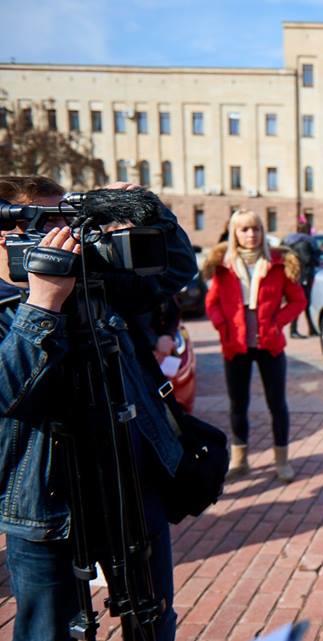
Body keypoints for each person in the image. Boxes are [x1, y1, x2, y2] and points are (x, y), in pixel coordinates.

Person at [0, 175, 197, 641]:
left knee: (153, 617)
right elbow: (8, 392)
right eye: (48, 224)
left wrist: (148, 209)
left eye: (69, 219)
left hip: (128, 478)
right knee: (49, 630)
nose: (67, 235)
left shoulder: (95, 276)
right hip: (42, 499)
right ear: (7, 233)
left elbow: (174, 269)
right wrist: (42, 305)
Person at [204, 209, 306, 483]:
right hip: (235, 346)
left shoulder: (278, 263)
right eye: (244, 230)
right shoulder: (224, 265)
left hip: (269, 345)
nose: (251, 235)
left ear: (262, 232)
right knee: (238, 404)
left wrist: (276, 323)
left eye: (256, 229)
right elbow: (211, 303)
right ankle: (240, 461)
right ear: (234, 234)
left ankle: (282, 461)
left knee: (277, 404)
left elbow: (298, 301)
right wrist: (222, 326)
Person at [283, 219, 321, 338]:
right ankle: (294, 331)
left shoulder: (290, 241)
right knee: (302, 302)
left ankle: (311, 329)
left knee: (303, 303)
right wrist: (317, 256)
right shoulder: (305, 242)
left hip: (294, 275)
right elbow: (307, 259)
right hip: (304, 276)